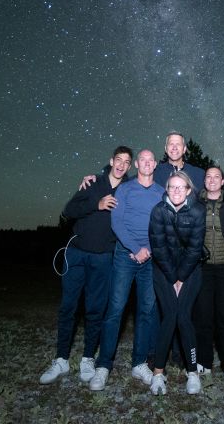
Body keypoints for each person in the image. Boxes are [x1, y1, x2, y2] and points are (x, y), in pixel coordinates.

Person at [40, 147, 133, 385]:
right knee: (68, 307)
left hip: (103, 258)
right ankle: (61, 359)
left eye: (126, 162)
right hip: (76, 253)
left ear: (129, 166)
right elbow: (68, 210)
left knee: (95, 309)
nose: (121, 165)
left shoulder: (127, 189)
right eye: (118, 160)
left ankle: (88, 358)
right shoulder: (93, 183)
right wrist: (97, 204)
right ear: (111, 161)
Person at [89, 149, 162, 391]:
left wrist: (148, 250)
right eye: (143, 160)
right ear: (137, 164)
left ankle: (139, 363)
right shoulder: (125, 189)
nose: (147, 163)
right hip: (125, 255)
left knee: (146, 311)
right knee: (116, 309)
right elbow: (116, 221)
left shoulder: (161, 192)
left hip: (150, 258)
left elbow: (162, 226)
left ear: (154, 165)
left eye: (151, 160)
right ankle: (103, 365)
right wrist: (134, 247)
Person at [148, 172, 206, 395]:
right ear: (167, 189)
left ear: (189, 190)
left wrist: (181, 278)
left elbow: (194, 248)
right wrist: (173, 279)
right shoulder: (158, 211)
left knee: (183, 317)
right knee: (170, 316)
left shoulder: (198, 211)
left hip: (190, 270)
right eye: (172, 187)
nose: (177, 191)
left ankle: (192, 373)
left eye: (182, 187)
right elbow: (159, 248)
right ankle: (158, 374)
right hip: (163, 270)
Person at [193, 166, 224, 382]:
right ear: (204, 181)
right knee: (203, 317)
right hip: (203, 269)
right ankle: (204, 361)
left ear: (223, 182)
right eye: (208, 177)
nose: (212, 180)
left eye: (216, 177)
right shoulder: (195, 204)